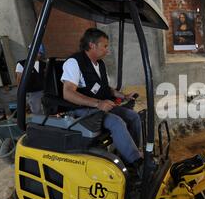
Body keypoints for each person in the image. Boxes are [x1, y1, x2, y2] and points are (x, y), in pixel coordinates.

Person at [60, 28, 143, 173]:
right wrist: (98, 103)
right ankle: (138, 163)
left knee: (134, 116)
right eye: (105, 46)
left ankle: (132, 153)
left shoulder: (100, 64)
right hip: (81, 109)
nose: (107, 50)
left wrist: (123, 96)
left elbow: (105, 88)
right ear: (92, 45)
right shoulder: (74, 62)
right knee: (117, 122)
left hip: (99, 107)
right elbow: (68, 93)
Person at [15, 43, 47, 115]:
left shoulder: (44, 64)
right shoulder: (22, 64)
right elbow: (19, 81)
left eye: (40, 53)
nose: (38, 55)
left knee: (46, 111)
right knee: (36, 111)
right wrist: (22, 96)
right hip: (32, 93)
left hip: (44, 91)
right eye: (37, 52)